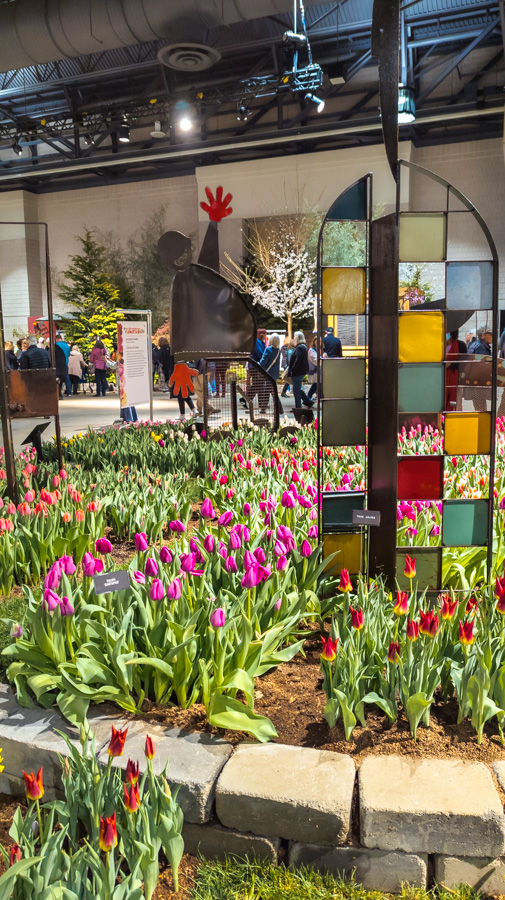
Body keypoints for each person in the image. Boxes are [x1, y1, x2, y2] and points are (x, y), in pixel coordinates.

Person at [240, 327, 267, 409]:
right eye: (264, 334)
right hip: (255, 367)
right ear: (260, 334)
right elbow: (261, 354)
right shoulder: (256, 342)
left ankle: (259, 403)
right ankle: (245, 399)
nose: (265, 336)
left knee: (258, 385)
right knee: (258, 385)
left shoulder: (260, 342)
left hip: (256, 366)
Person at [288, 331, 313, 409]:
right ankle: (308, 401)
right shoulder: (304, 347)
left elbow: (297, 360)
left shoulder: (299, 348)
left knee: (296, 391)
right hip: (301, 371)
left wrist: (292, 370)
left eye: (294, 337)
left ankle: (298, 407)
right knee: (298, 388)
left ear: (297, 338)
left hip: (297, 372)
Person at [258, 332, 282, 415]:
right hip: (274, 374)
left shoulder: (268, 349)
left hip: (268, 373)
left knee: (267, 391)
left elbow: (263, 362)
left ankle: (264, 408)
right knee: (272, 391)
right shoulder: (278, 351)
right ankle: (277, 409)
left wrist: (258, 363)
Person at [56, 332, 71, 396]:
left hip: (58, 364)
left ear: (56, 339)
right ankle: (69, 392)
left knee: (57, 379)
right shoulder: (66, 346)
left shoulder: (55, 345)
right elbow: (68, 355)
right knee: (67, 378)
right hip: (66, 364)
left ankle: (58, 392)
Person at [307, 336, 319, 401]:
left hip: (320, 370)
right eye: (316, 341)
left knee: (317, 384)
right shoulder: (312, 350)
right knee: (316, 384)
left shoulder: (321, 349)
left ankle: (310, 397)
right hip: (315, 370)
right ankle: (308, 397)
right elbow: (315, 360)